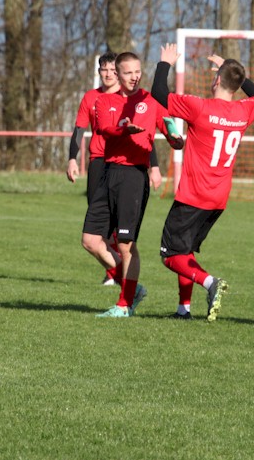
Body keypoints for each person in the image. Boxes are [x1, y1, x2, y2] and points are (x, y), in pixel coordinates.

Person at [152, 44, 254, 322]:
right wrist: (231, 68)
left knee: (169, 255)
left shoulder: (199, 107)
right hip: (218, 198)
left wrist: (164, 63)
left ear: (216, 80)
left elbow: (158, 93)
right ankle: (183, 310)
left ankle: (210, 282)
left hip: (193, 195)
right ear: (237, 86)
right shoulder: (243, 110)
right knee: (186, 251)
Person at [81, 52, 184, 318]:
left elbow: (168, 122)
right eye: (128, 72)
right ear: (117, 73)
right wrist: (123, 129)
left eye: (138, 71)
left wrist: (175, 137)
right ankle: (132, 287)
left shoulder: (149, 100)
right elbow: (105, 129)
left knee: (126, 245)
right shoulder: (104, 101)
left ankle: (124, 304)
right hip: (108, 172)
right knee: (91, 240)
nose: (135, 77)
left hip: (133, 177)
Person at [67, 52, 162, 286]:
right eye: (104, 70)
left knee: (121, 233)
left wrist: (155, 166)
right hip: (100, 162)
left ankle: (122, 279)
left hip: (128, 167)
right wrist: (72, 158)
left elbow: (144, 135)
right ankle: (121, 275)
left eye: (112, 69)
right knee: (97, 229)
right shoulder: (93, 98)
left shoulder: (138, 101)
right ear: (99, 72)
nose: (108, 74)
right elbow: (80, 130)